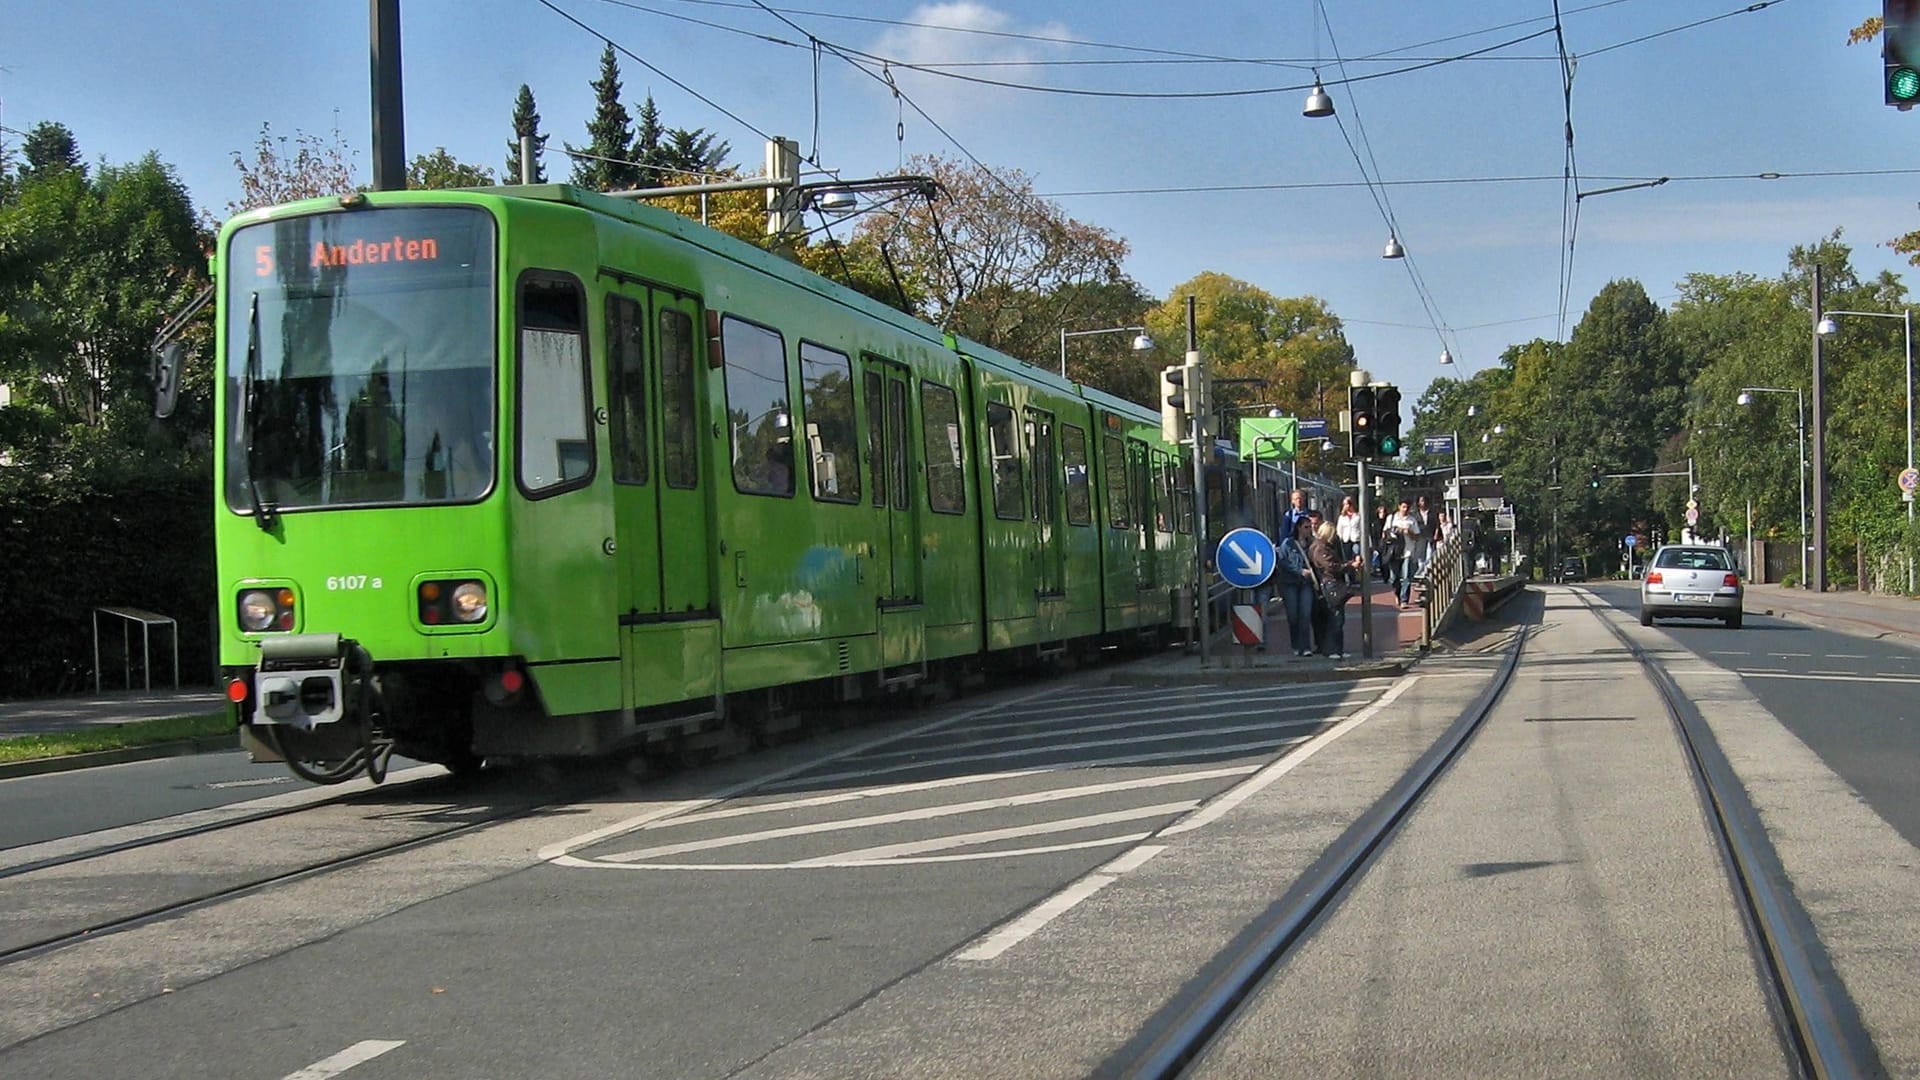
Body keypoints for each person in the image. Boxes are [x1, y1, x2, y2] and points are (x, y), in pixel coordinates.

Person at [1309, 520, 1355, 659]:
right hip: (1330, 583)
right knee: (1335, 617)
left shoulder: (1320, 546)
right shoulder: (1321, 548)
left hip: (1328, 583)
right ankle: (1332, 650)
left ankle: (1336, 650)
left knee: (1334, 617)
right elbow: (1330, 566)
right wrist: (1349, 565)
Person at [1277, 518, 1319, 657]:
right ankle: (1296, 645)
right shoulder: (1288, 543)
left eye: (1310, 527)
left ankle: (1305, 646)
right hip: (1289, 584)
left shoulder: (1312, 543)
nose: (1309, 530)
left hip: (1306, 584)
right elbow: (1282, 562)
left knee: (1305, 615)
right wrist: (1299, 570)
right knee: (1293, 616)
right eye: (1306, 527)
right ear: (1299, 528)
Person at [1388, 498, 1423, 608]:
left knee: (1407, 576)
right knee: (1394, 578)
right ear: (1399, 507)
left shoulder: (1412, 520)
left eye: (1407, 507)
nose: (1405, 509)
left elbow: (1417, 536)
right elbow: (1385, 533)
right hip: (1394, 551)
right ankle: (1397, 593)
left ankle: (1404, 600)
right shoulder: (1391, 518)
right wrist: (1395, 531)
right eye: (1403, 507)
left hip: (1408, 550)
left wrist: (1409, 532)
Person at [1336, 495, 1363, 564]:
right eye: (1343, 504)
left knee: (1356, 555)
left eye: (1346, 504)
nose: (1345, 506)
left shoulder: (1358, 516)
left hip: (1356, 540)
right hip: (1346, 540)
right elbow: (1339, 529)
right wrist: (1340, 538)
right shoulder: (1342, 517)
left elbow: (1361, 528)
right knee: (1347, 558)